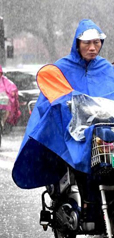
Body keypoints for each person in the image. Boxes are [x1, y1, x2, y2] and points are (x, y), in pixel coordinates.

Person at [12, 19, 114, 225]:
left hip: (103, 136)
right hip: (71, 132)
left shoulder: (106, 69)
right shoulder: (60, 69)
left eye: (97, 42)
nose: (93, 48)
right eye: (87, 43)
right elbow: (52, 101)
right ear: (77, 43)